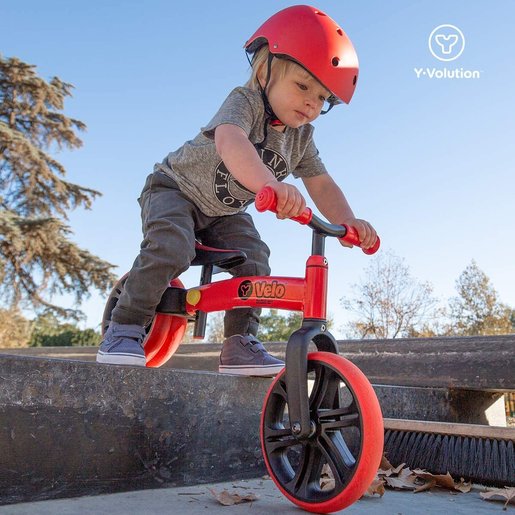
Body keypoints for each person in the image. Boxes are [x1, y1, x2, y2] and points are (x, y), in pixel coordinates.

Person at [96, 5, 378, 375]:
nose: (312, 102)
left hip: (224, 212)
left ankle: (239, 344)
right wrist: (271, 184)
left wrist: (347, 222)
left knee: (255, 258)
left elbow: (320, 182)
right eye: (303, 85)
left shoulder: (302, 138)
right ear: (265, 72)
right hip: (174, 190)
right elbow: (231, 142)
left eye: (323, 97)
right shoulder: (244, 102)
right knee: (171, 246)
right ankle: (125, 327)